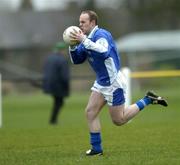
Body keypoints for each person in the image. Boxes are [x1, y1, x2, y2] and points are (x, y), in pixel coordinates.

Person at [68, 10, 168, 156]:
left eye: (83, 22)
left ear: (93, 23)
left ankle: (147, 100)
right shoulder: (86, 39)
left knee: (119, 120)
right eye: (79, 22)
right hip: (102, 82)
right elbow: (76, 60)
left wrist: (83, 40)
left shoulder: (101, 35)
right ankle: (96, 149)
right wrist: (72, 46)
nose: (80, 25)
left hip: (113, 83)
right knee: (90, 112)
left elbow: (104, 52)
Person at [32, 42, 70, 124]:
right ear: (62, 50)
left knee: (58, 102)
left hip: (49, 84)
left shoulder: (48, 58)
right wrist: (66, 86)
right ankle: (53, 120)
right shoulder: (62, 60)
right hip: (58, 85)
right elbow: (64, 75)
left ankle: (53, 120)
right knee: (59, 102)